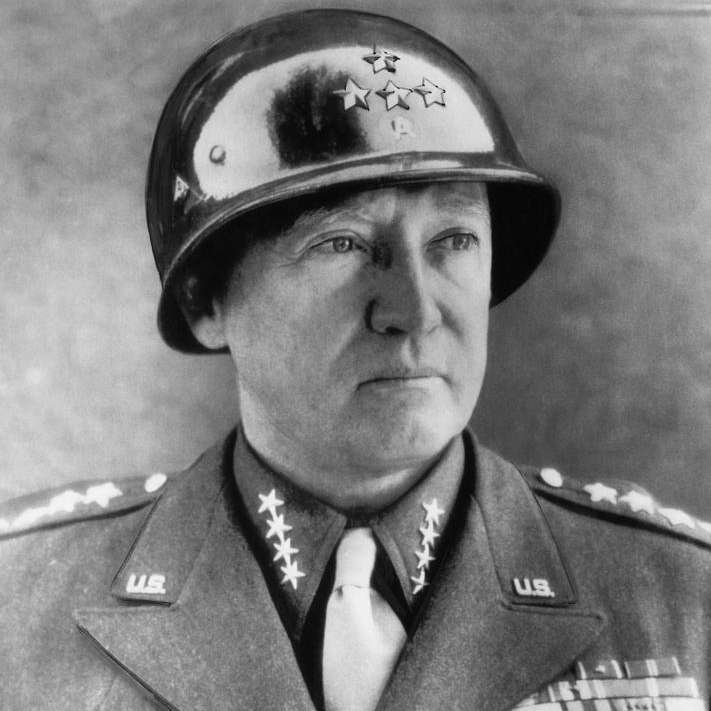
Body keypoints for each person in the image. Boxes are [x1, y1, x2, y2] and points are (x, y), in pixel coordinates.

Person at [1, 9, 709, 711]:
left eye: (455, 240)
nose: (415, 311)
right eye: (341, 244)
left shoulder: (680, 596)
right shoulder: (20, 604)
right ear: (204, 299)